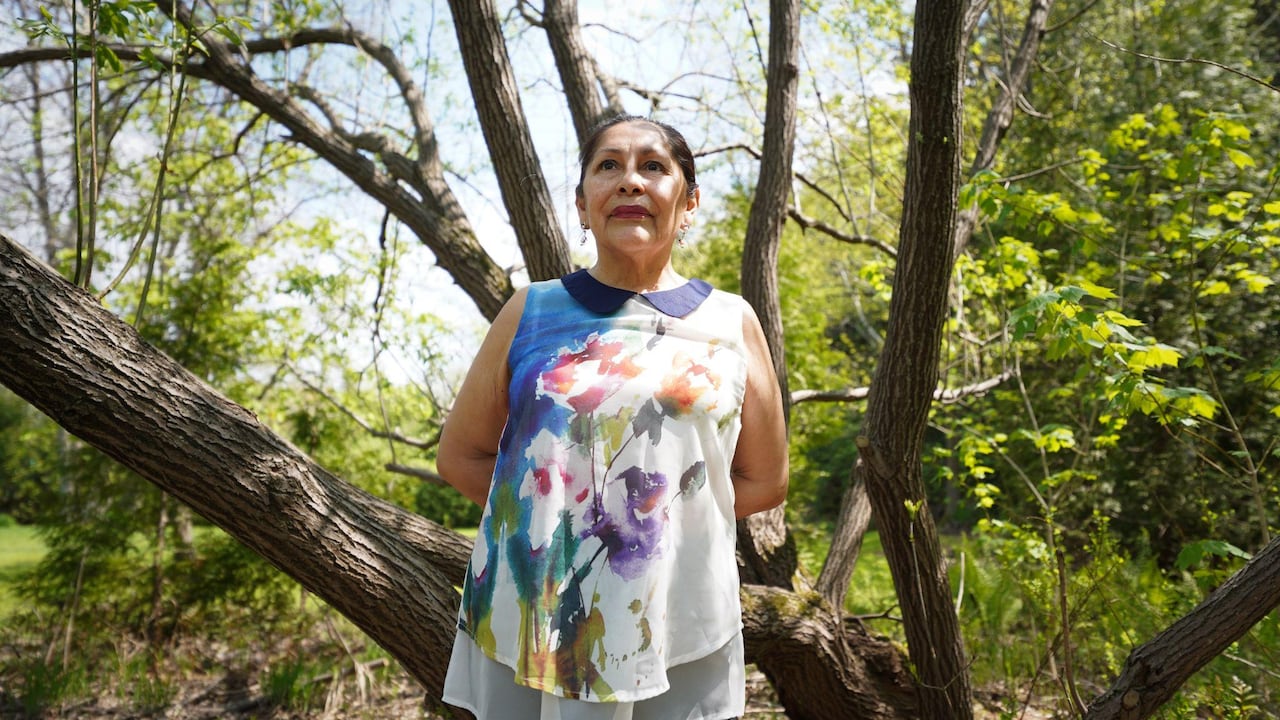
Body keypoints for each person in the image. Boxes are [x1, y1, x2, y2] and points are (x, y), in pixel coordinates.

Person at [436, 114, 789, 720]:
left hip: (679, 615)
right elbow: (460, 456)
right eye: (609, 166)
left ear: (688, 202)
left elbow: (766, 480)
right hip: (542, 617)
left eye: (653, 166)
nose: (631, 181)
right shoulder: (531, 309)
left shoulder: (733, 322)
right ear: (582, 203)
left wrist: (663, 534)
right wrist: (555, 531)